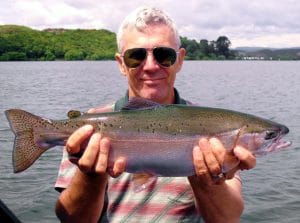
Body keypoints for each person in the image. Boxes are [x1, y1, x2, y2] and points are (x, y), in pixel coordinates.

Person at [55, 6, 256, 223]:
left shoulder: (213, 125)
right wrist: (91, 177)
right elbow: (71, 220)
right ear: (121, 64)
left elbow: (227, 219)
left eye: (163, 55)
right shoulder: (90, 125)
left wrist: (206, 178)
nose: (150, 66)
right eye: (136, 56)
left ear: (179, 60)